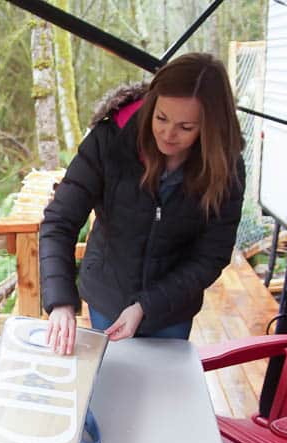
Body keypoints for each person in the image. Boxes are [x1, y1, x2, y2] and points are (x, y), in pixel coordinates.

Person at [40, 53, 245, 355]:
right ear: (152, 102)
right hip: (107, 297)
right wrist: (60, 302)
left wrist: (146, 306)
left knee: (160, 393)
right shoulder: (109, 140)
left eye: (186, 127)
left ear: (210, 127)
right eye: (161, 117)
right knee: (108, 386)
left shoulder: (226, 167)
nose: (167, 133)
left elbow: (211, 256)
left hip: (171, 308)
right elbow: (59, 222)